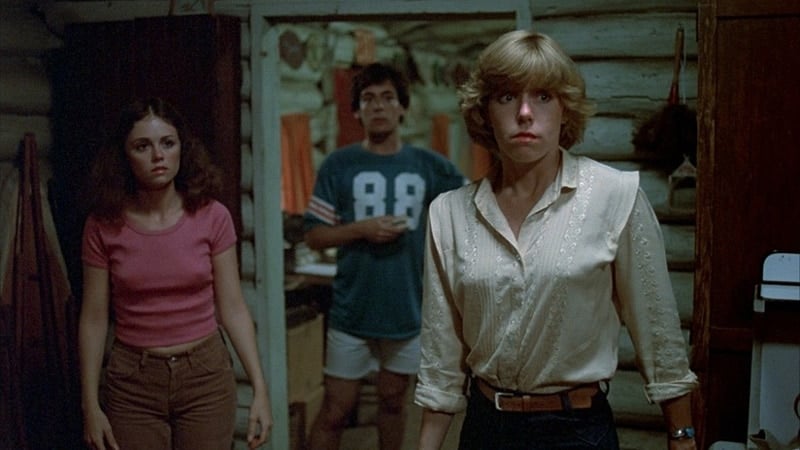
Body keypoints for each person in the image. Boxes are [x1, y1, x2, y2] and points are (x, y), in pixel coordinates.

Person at [414, 30, 699, 450]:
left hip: (577, 430)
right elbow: (441, 356)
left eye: (543, 96)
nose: (525, 113)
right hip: (486, 428)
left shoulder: (614, 196)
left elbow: (658, 332)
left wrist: (682, 435)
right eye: (507, 97)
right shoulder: (450, 213)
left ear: (565, 109)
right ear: (485, 112)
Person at [78, 97, 272, 450]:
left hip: (205, 374)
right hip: (134, 380)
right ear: (124, 155)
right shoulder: (103, 224)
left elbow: (233, 307)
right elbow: (93, 318)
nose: (158, 156)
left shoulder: (212, 216)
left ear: (183, 147)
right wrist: (90, 404)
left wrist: (260, 388)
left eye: (167, 143)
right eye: (142, 146)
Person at [304, 63, 466, 450]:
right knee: (336, 408)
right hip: (352, 310)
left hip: (407, 310)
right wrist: (361, 229)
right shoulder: (338, 164)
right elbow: (314, 235)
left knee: (394, 403)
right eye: (368, 99)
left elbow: (470, 208)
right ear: (356, 111)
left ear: (402, 107)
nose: (378, 106)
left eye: (388, 97)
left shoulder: (429, 165)